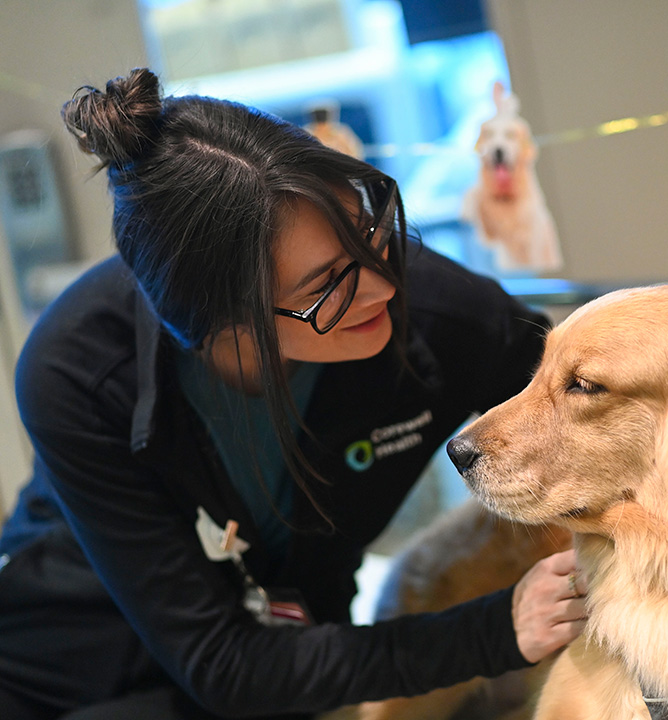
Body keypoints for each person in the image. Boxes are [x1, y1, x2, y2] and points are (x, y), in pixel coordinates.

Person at [0, 68, 586, 719]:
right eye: (326, 286)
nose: (383, 288)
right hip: (59, 669)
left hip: (292, 665)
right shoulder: (77, 368)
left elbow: (590, 417)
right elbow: (224, 664)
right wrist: (498, 631)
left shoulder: (448, 316)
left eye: (367, 231)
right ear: (222, 320)